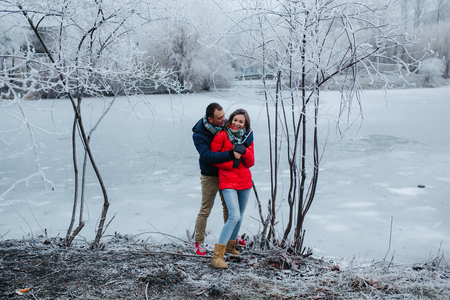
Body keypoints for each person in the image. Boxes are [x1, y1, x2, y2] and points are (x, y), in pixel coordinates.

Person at [192, 103, 253, 256]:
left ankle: (232, 237)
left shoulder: (225, 126)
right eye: (220, 118)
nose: (224, 120)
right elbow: (208, 156)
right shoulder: (199, 134)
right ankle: (199, 242)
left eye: (224, 116)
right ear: (210, 119)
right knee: (206, 209)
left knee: (230, 209)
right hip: (210, 175)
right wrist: (232, 155)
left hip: (227, 176)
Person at [209, 109, 254, 269]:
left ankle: (230, 246)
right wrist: (231, 161)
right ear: (231, 119)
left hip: (245, 182)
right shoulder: (222, 135)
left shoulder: (247, 138)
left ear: (245, 124)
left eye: (241, 122)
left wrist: (245, 152)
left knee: (240, 217)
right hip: (228, 181)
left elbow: (250, 162)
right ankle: (217, 257)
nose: (237, 123)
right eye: (235, 120)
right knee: (233, 216)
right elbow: (213, 158)